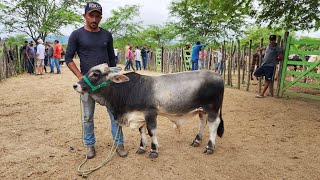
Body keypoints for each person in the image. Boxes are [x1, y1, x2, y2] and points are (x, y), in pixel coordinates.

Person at [65, 2, 128, 159]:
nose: (94, 19)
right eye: (91, 15)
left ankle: (119, 144)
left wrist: (114, 79)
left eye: (97, 16)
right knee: (87, 117)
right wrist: (81, 77)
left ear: (100, 17)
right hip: (87, 84)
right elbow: (68, 59)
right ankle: (90, 145)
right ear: (84, 16)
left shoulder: (107, 35)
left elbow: (112, 61)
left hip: (106, 84)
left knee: (115, 114)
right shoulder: (76, 35)